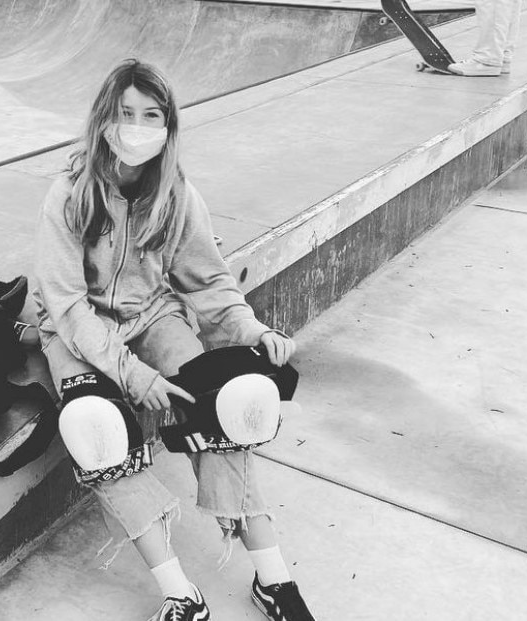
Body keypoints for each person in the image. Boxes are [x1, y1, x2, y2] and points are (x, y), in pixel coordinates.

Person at [31, 59, 314, 621]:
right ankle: (180, 592)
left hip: (153, 314)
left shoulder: (176, 194)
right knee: (98, 432)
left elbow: (208, 280)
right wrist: (133, 375)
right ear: (104, 119)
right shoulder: (68, 195)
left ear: (168, 125)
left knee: (220, 409)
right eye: (125, 113)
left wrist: (253, 330)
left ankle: (274, 579)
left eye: (151, 115)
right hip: (75, 330)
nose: (136, 126)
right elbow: (68, 306)